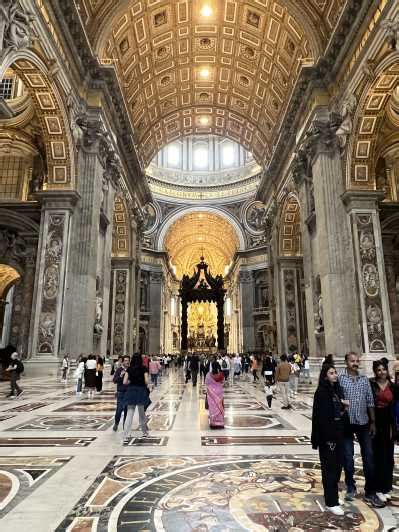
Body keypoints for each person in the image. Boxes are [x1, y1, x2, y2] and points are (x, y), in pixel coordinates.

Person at [338, 352, 384, 508]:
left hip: (364, 422)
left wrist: (373, 422)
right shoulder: (340, 378)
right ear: (346, 362)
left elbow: (370, 401)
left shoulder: (364, 379)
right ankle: (350, 485)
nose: (355, 363)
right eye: (352, 361)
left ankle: (370, 491)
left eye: (357, 361)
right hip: (347, 423)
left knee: (369, 457)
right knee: (348, 457)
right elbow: (336, 399)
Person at [311, 363, 347, 516]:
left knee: (338, 467)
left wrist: (344, 407)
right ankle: (330, 501)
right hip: (328, 436)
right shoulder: (321, 392)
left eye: (335, 373)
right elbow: (321, 418)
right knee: (329, 469)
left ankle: (335, 496)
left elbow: (338, 413)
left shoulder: (336, 390)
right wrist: (327, 437)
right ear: (325, 375)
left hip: (338, 433)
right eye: (332, 373)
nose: (335, 375)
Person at [369, 359, 398, 502]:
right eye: (379, 370)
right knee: (378, 456)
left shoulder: (393, 387)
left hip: (389, 423)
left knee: (389, 457)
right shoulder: (371, 385)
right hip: (375, 422)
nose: (381, 372)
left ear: (387, 370)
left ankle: (386, 487)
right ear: (375, 372)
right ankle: (378, 488)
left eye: (383, 369)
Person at [122, 353, 150, 443]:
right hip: (141, 391)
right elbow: (146, 381)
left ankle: (126, 434)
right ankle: (144, 432)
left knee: (130, 413)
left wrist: (131, 381)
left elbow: (124, 382)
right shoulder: (144, 368)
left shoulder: (129, 369)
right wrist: (142, 381)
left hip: (131, 391)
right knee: (142, 413)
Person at [112, 355, 130, 432]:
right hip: (121, 392)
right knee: (119, 409)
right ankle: (116, 423)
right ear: (122, 361)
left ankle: (124, 426)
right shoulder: (119, 370)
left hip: (129, 393)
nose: (127, 362)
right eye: (125, 360)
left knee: (127, 410)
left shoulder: (131, 370)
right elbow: (115, 380)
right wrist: (121, 375)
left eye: (128, 360)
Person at [205, 361, 225, 428]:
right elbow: (222, 382)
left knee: (213, 407)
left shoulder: (208, 375)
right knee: (220, 406)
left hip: (211, 393)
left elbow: (206, 383)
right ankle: (220, 423)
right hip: (219, 392)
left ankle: (213, 423)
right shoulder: (221, 374)